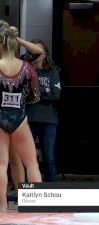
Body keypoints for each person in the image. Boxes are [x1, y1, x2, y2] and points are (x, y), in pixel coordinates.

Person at [0, 20, 42, 211]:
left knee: (1, 165)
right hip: (19, 117)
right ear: (11, 42)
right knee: (32, 164)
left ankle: (1, 206)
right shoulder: (26, 66)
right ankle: (37, 205)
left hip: (0, 116)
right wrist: (15, 38)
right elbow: (35, 96)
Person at [24, 39, 61, 182]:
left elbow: (55, 95)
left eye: (39, 50)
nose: (37, 53)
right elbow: (25, 94)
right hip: (29, 119)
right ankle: (28, 188)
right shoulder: (26, 72)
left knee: (48, 156)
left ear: (45, 53)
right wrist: (44, 91)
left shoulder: (52, 72)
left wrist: (36, 92)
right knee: (28, 156)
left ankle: (50, 189)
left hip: (49, 120)